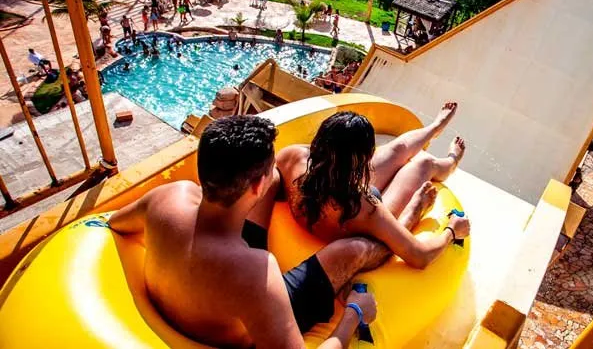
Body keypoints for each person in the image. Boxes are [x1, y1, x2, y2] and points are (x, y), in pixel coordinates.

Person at [109, 116, 386, 348]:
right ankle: (391, 229)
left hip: (197, 307)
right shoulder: (255, 273)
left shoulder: (167, 198)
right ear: (257, 186)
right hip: (243, 324)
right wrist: (354, 314)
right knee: (349, 250)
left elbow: (115, 223)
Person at [276, 103, 470, 270]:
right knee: (424, 164)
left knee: (397, 149)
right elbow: (420, 257)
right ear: (364, 160)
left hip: (331, 189)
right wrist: (452, 230)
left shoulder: (292, 156)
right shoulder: (363, 207)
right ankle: (451, 162)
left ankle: (434, 128)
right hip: (352, 213)